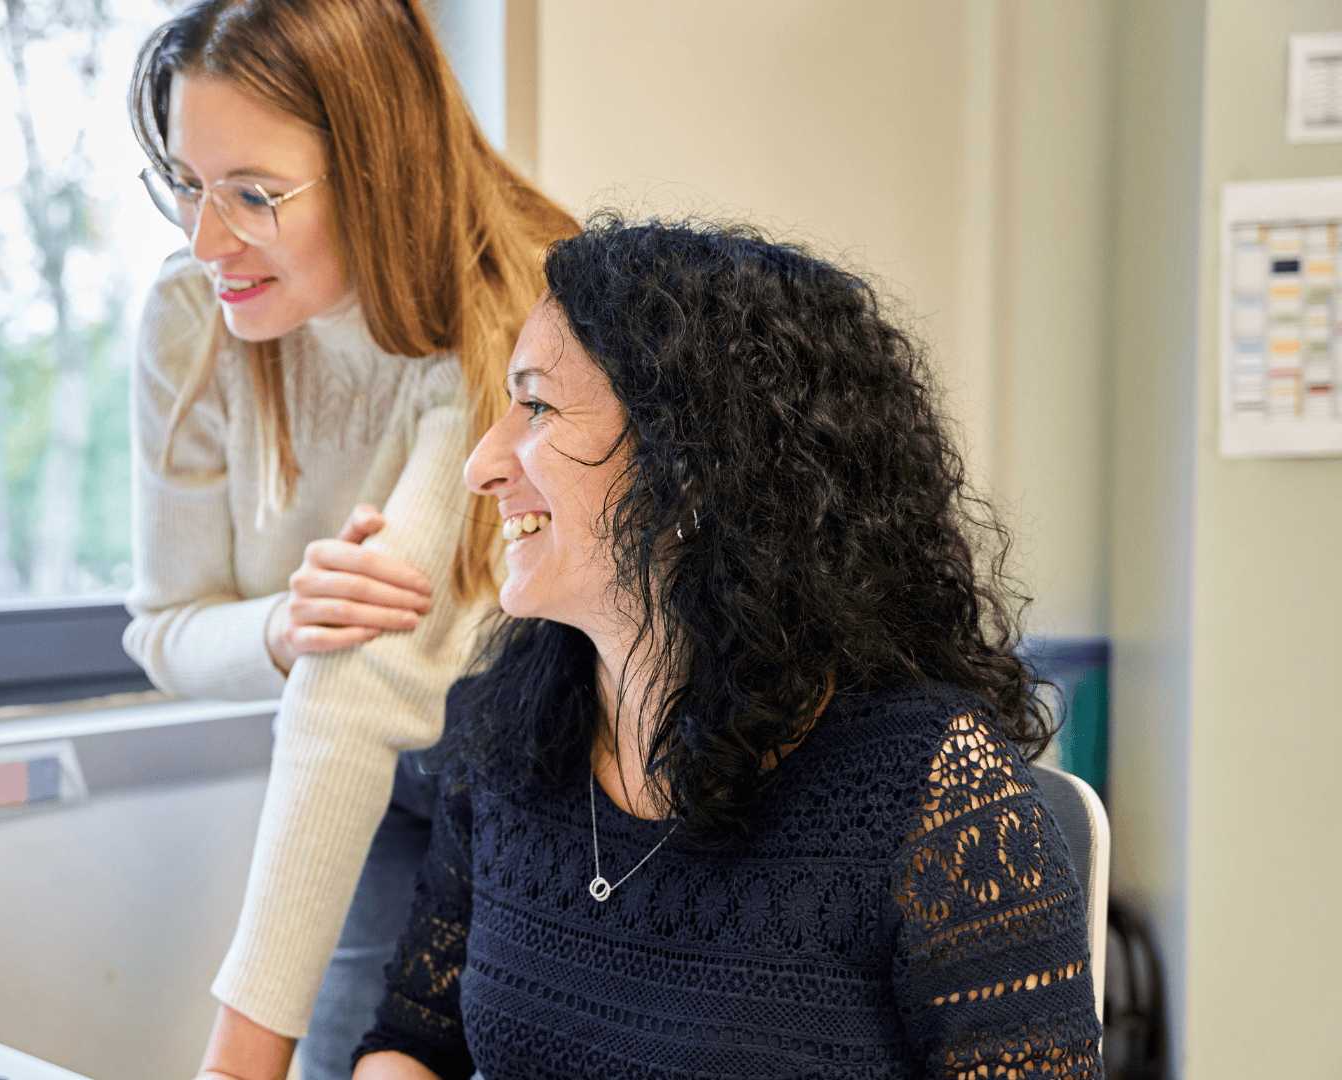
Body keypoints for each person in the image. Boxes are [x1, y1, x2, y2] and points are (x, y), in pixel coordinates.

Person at [352, 218, 1105, 1078]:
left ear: (692, 469)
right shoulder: (515, 731)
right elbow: (410, 1045)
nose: (483, 463)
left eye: (536, 406)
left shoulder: (926, 790)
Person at [119, 2, 577, 1077]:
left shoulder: (510, 315)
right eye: (186, 183)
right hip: (385, 777)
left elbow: (368, 671)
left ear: (376, 168)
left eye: (253, 196)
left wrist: (234, 1062)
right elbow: (166, 632)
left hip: (553, 785)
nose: (205, 240)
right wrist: (282, 623)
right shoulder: (192, 323)